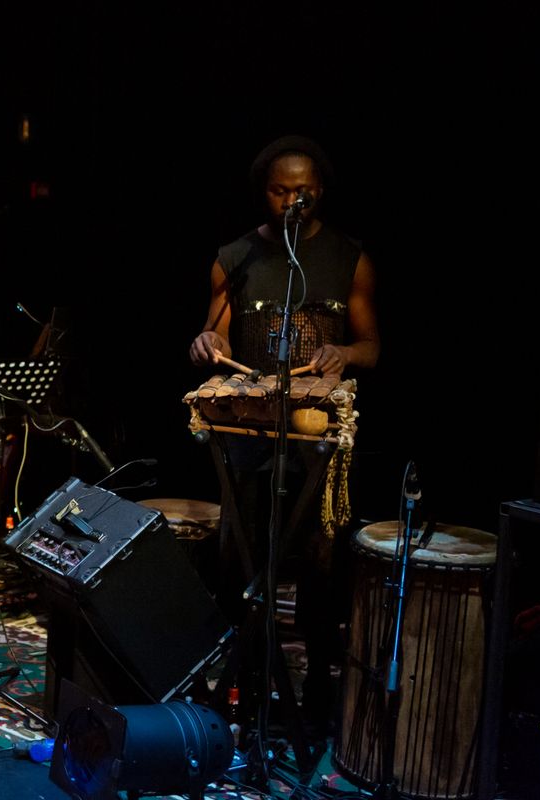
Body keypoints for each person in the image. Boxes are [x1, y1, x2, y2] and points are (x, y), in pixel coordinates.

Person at [188, 134, 380, 738]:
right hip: (250, 429)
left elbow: (372, 346)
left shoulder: (349, 258)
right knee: (240, 556)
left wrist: (345, 351)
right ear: (263, 192)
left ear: (319, 191)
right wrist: (207, 343)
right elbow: (211, 335)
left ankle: (319, 684)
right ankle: (242, 679)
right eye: (279, 191)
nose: (291, 201)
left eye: (303, 191)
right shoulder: (235, 257)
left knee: (322, 558)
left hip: (317, 431)